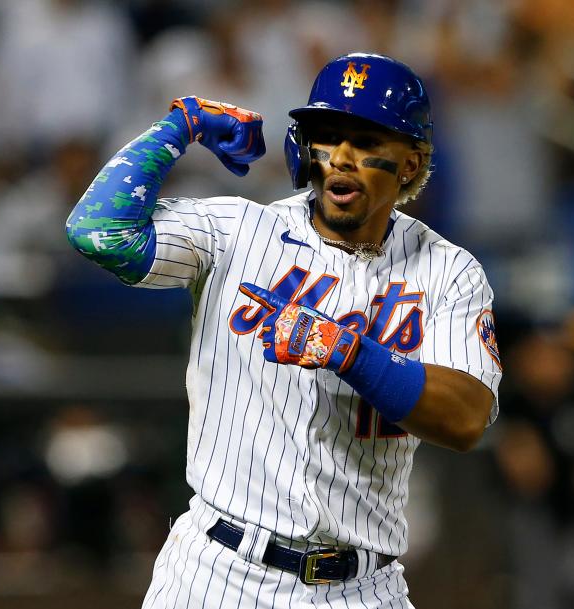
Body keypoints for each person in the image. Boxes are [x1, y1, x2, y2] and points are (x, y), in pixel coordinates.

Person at [66, 52, 502, 609]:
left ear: (411, 164)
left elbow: (465, 418)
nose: (342, 157)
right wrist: (182, 125)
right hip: (217, 572)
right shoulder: (239, 231)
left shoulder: (448, 271)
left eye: (366, 141)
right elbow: (97, 230)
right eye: (328, 135)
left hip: (361, 586)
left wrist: (346, 350)